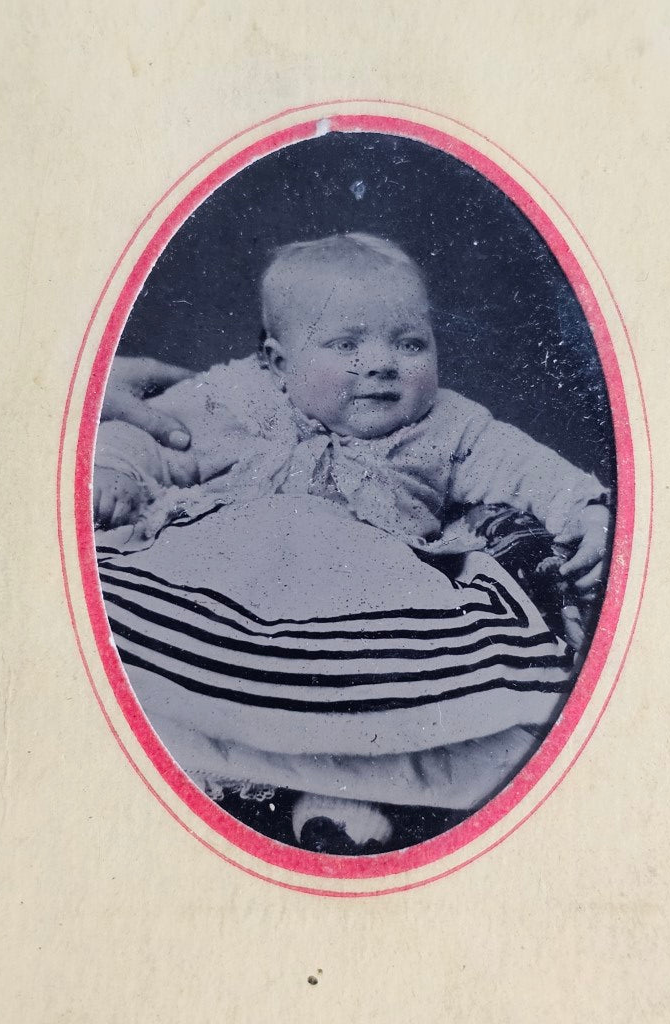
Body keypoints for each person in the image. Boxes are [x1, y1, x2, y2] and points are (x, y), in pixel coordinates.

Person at [93, 233, 611, 853]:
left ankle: (340, 796)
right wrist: (115, 474)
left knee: (398, 687)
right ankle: (199, 768)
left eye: (410, 342)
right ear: (277, 361)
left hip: (366, 598)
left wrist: (587, 512)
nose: (382, 362)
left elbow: (528, 469)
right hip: (226, 575)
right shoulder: (232, 397)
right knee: (149, 639)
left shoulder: (447, 424)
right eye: (346, 344)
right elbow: (149, 435)